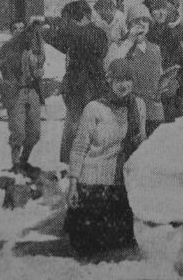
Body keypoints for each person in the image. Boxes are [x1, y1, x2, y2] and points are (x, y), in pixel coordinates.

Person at [65, 58, 146, 257]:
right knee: (89, 248)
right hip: (92, 181)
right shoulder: (94, 108)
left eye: (127, 79)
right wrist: (73, 184)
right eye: (118, 79)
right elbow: (79, 147)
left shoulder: (138, 106)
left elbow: (142, 142)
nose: (123, 85)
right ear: (109, 81)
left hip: (119, 180)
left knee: (120, 246)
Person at [43, 0, 109, 163]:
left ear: (81, 18)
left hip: (91, 87)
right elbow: (61, 43)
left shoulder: (96, 33)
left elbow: (89, 43)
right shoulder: (78, 33)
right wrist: (45, 33)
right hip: (76, 88)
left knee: (88, 128)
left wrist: (60, 27)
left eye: (70, 20)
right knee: (74, 127)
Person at [0, 21, 46, 173]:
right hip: (14, 94)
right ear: (10, 32)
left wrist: (39, 71)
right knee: (19, 132)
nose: (19, 31)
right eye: (15, 29)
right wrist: (2, 82)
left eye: (22, 28)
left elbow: (39, 67)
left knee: (35, 133)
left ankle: (24, 160)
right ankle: (15, 164)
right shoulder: (5, 49)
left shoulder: (31, 47)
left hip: (31, 91)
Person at [104, 3, 165, 137]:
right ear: (128, 25)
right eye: (136, 21)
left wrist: (163, 86)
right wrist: (130, 41)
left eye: (145, 21)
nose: (141, 24)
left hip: (154, 111)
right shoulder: (118, 45)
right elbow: (109, 66)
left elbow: (158, 75)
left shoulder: (155, 48)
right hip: (128, 110)